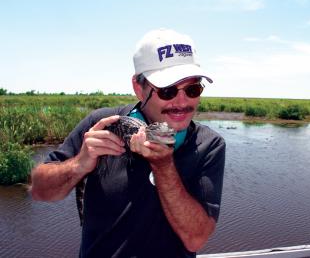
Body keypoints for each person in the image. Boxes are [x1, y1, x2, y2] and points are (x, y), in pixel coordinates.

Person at [30, 28, 226, 258]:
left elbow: (196, 238)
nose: (181, 101)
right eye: (167, 91)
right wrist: (80, 164)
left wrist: (163, 165)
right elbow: (40, 190)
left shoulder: (209, 145)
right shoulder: (101, 124)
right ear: (138, 88)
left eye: (193, 89)